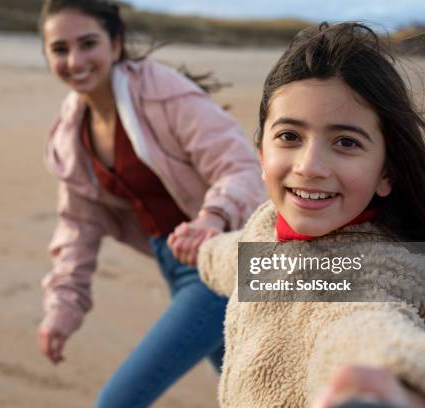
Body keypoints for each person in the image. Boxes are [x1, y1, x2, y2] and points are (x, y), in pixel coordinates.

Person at [198, 22, 425, 407]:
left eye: (346, 142)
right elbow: (241, 258)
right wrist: (201, 247)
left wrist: (390, 386)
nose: (310, 165)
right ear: (261, 152)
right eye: (290, 136)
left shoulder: (384, 273)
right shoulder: (267, 223)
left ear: (387, 172)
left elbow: (364, 326)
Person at [35, 0, 265, 406]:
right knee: (251, 395)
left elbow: (242, 166)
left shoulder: (164, 92)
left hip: (223, 262)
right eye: (60, 49)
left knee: (117, 401)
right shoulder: (71, 134)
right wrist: (62, 309)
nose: (75, 60)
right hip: (174, 267)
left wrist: (212, 217)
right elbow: (78, 226)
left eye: (88, 43)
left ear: (116, 43)